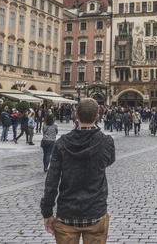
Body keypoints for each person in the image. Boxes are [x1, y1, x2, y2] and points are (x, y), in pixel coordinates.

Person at [41, 98, 115, 243]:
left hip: (67, 213)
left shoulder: (61, 143)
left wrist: (47, 211)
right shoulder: (106, 142)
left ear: (76, 115)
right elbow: (109, 161)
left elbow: (52, 180)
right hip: (96, 212)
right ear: (97, 116)